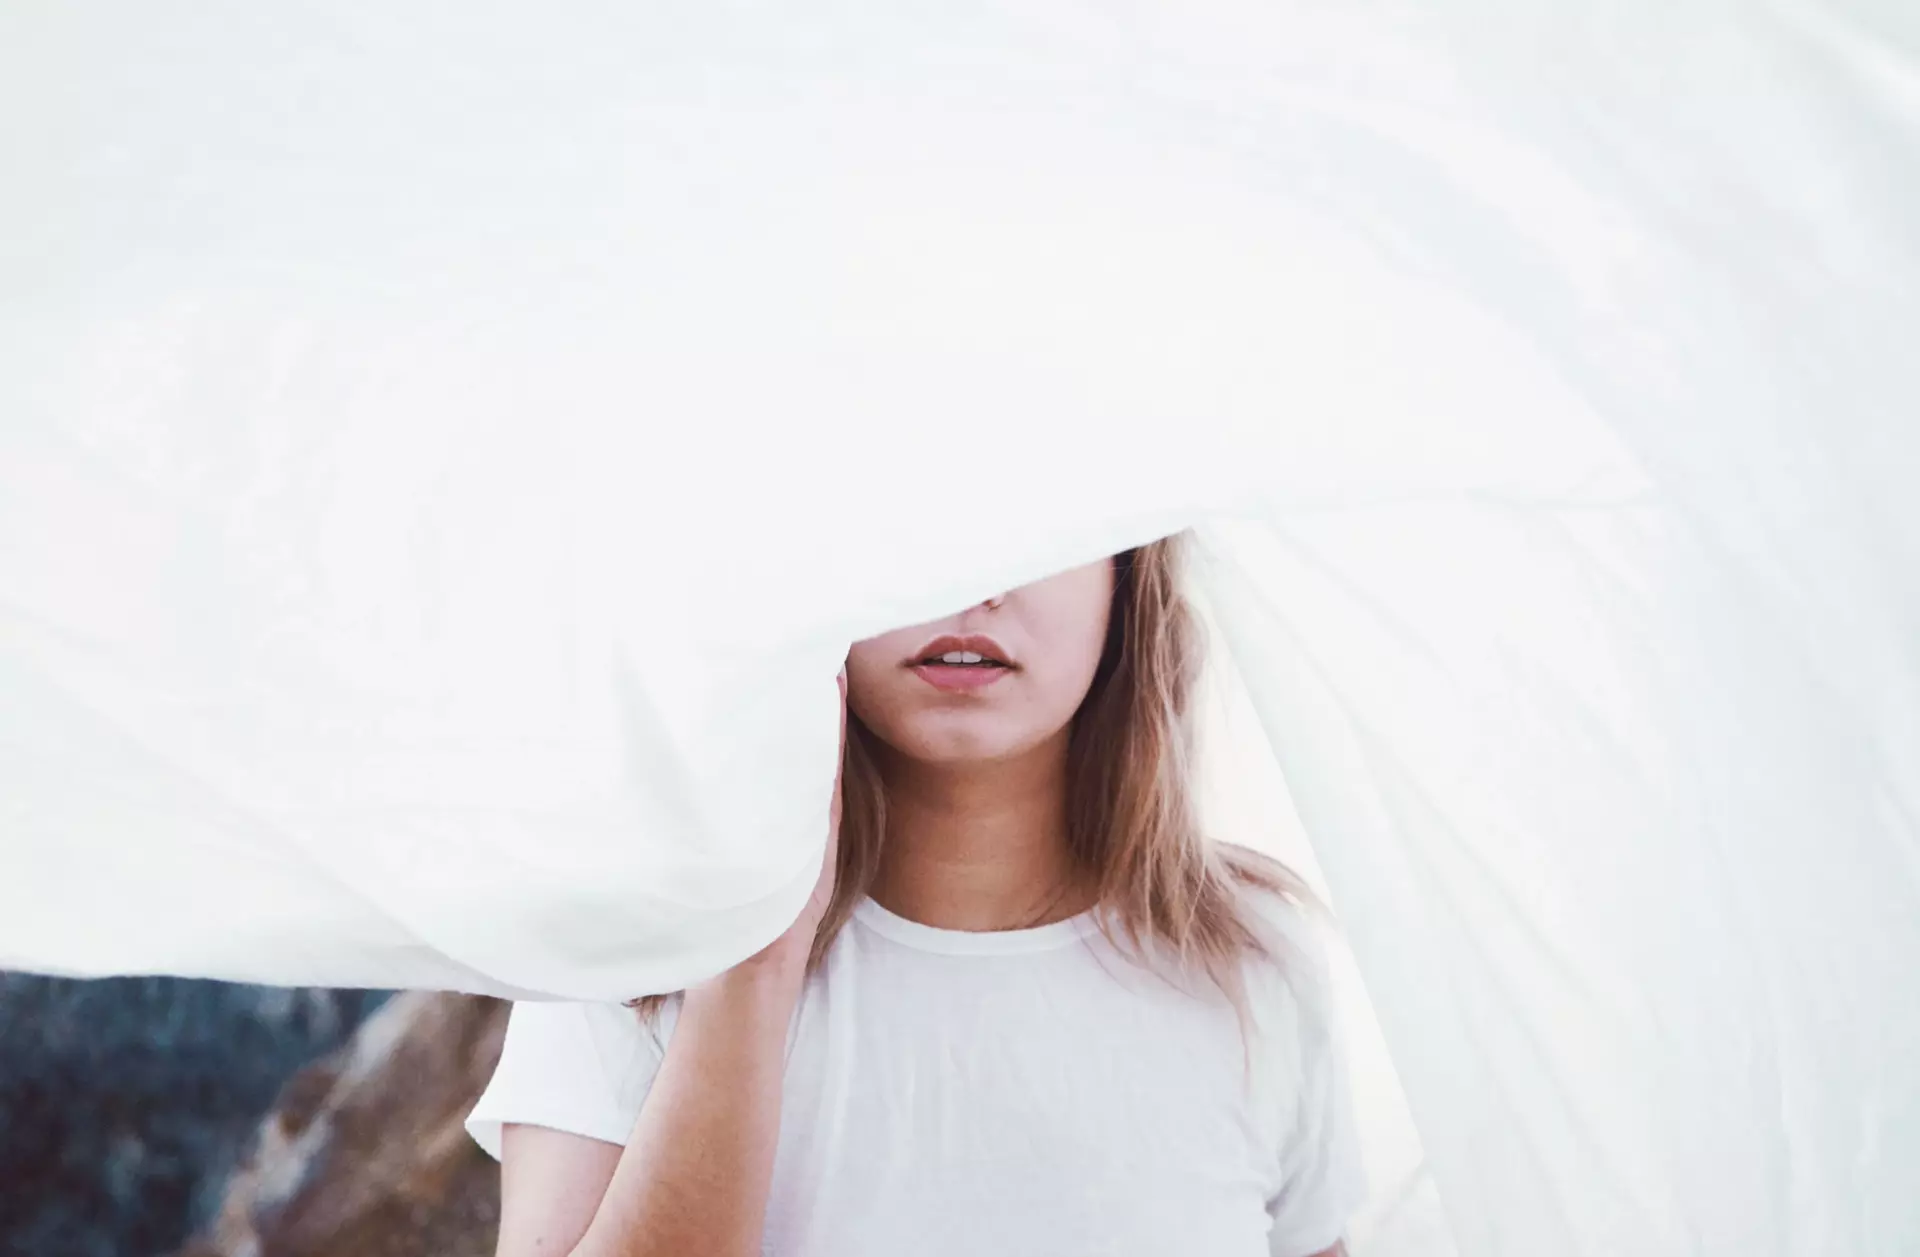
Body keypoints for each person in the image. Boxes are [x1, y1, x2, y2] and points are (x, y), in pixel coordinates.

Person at [466, 533, 1367, 1256]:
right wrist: (751, 970)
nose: (975, 582)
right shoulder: (632, 952)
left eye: (1040, 523)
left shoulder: (1254, 963)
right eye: (915, 518)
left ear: (1128, 572)